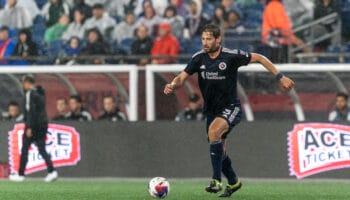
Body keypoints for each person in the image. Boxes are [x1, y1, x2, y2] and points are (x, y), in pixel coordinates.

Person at [163, 24, 294, 197]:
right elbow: (182, 77)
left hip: (231, 108)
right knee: (219, 150)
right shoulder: (198, 58)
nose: (205, 42)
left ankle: (216, 180)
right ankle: (233, 182)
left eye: (209, 39)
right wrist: (173, 85)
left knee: (214, 132)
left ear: (218, 39)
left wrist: (280, 76)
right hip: (211, 110)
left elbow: (260, 58)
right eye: (203, 38)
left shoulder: (231, 57)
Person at [9, 75, 58, 182]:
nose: (23, 86)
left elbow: (31, 111)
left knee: (25, 148)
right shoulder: (40, 92)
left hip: (33, 125)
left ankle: (21, 174)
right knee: (41, 148)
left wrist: (29, 126)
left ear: (27, 83)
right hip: (43, 124)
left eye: (23, 83)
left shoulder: (30, 94)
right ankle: (52, 171)